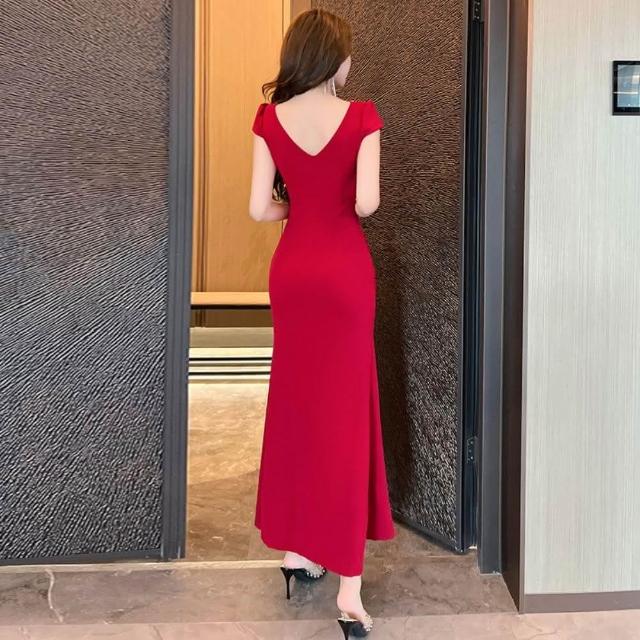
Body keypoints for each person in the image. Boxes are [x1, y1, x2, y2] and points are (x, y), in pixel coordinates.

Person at [248, 8, 395, 638]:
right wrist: (330, 200)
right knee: (346, 416)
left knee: (298, 405)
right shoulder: (361, 116)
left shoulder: (268, 118)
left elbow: (260, 208)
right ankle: (350, 593)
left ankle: (297, 551)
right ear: (336, 58)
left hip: (293, 272)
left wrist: (298, 204)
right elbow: (366, 202)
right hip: (344, 273)